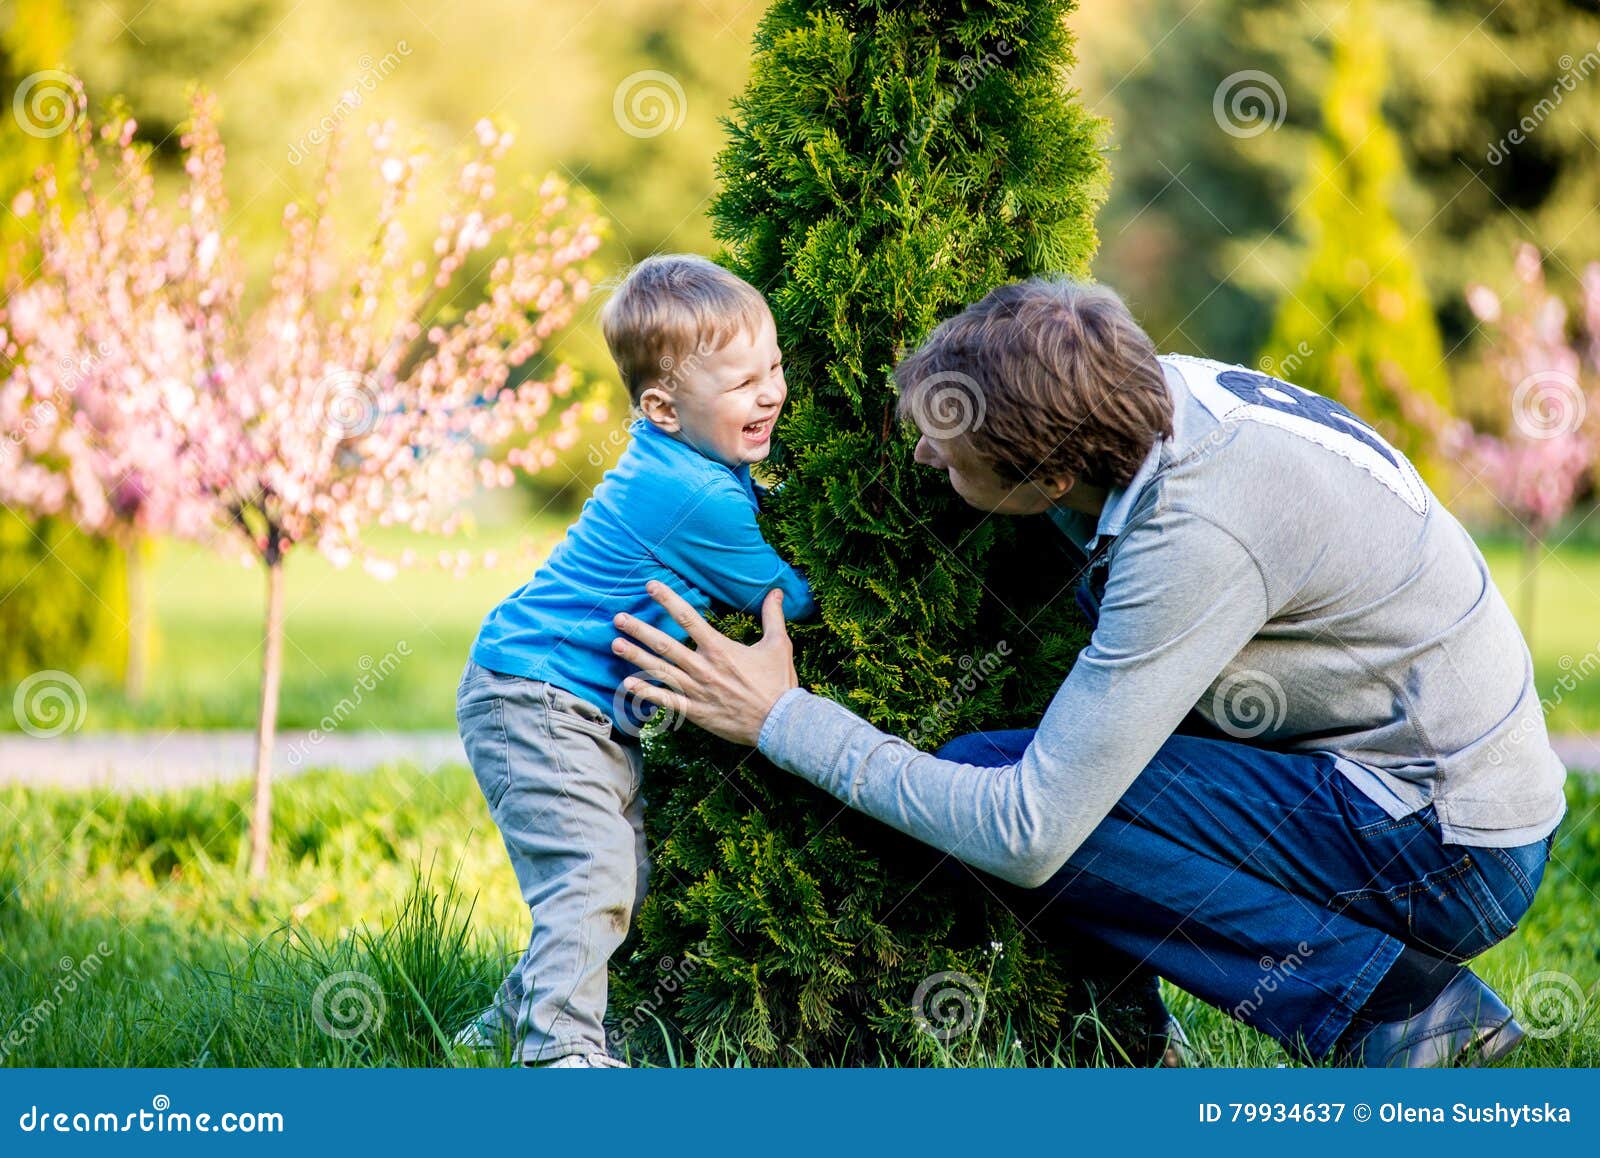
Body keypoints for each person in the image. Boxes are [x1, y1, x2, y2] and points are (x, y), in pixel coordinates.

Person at [610, 278, 1567, 1067]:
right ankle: (1134, 1051)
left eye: (953, 452)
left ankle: (1394, 1012)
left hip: (1450, 847)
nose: (920, 451)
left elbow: (1026, 831)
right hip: (1418, 778)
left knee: (1007, 787)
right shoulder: (1150, 404)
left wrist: (783, 718)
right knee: (1030, 767)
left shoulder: (1197, 534)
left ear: (1052, 473)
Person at [456, 254, 816, 1067]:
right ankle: (557, 1055)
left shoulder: (685, 459)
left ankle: (505, 1021)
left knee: (621, 878)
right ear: (662, 406)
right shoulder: (696, 495)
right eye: (741, 384)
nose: (771, 393)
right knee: (593, 879)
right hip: (537, 697)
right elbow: (790, 598)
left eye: (776, 368)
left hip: (562, 700)